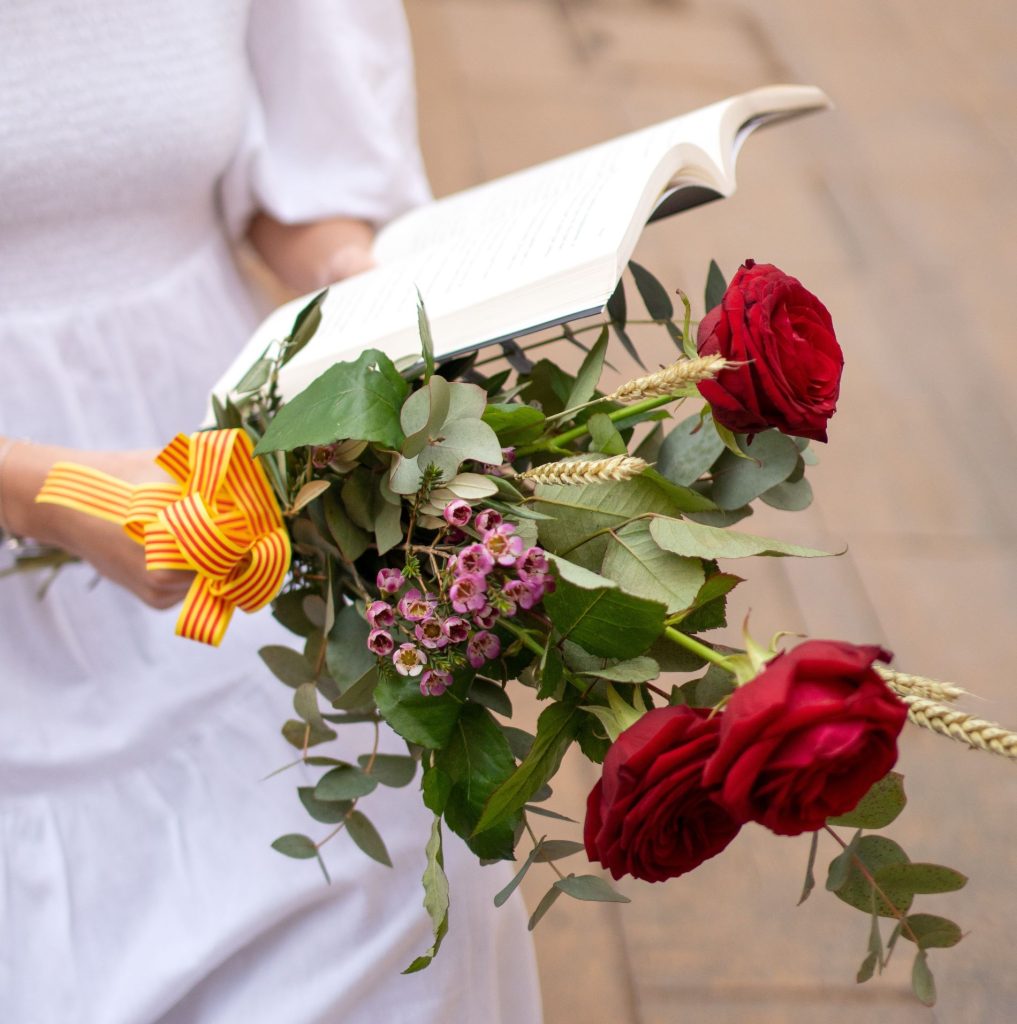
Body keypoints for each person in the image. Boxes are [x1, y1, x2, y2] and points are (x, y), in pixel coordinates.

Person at [0, 3, 543, 1021]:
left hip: (225, 497)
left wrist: (369, 302)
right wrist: (51, 494)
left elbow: (298, 190)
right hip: (54, 544)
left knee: (404, 879)